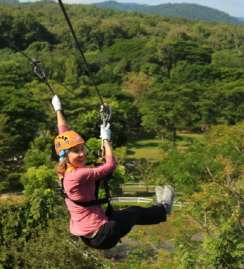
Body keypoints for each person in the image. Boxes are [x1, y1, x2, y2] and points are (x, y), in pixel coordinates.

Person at [52, 95, 175, 250]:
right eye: (76, 152)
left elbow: (62, 135)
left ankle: (157, 209)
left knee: (123, 215)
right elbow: (110, 165)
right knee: (134, 212)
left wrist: (58, 110)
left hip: (89, 236)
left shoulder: (63, 170)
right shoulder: (78, 175)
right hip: (104, 234)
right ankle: (164, 208)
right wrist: (106, 140)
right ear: (66, 155)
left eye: (82, 149)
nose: (82, 153)